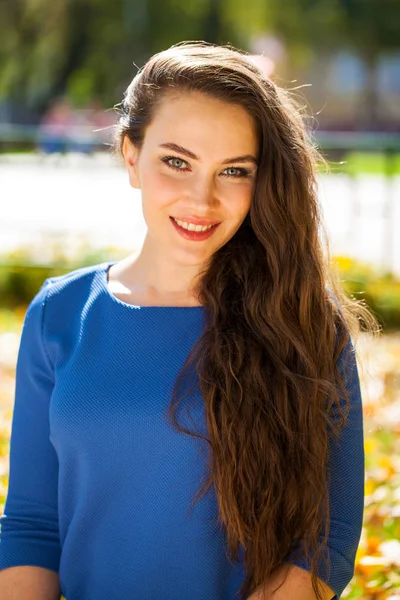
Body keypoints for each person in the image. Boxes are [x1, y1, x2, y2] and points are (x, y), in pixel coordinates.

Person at [0, 42, 376, 600]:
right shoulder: (59, 313)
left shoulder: (301, 320)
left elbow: (328, 535)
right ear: (131, 155)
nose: (202, 199)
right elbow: (32, 525)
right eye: (176, 161)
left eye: (234, 171)